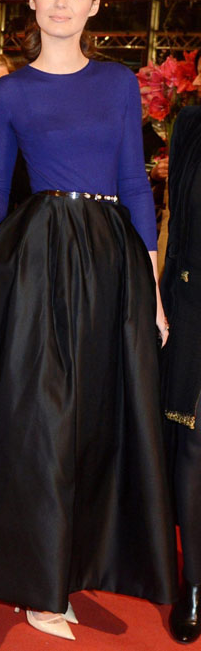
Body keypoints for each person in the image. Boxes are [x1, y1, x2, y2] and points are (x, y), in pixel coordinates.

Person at [0, 0, 177, 641]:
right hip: (34, 259)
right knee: (43, 421)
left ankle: (77, 562)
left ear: (96, 6)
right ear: (31, 2)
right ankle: (39, 581)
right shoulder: (9, 92)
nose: (61, 3)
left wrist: (149, 290)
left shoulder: (119, 83)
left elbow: (135, 184)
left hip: (110, 261)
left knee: (100, 417)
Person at [161, 96, 201, 644]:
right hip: (195, 297)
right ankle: (193, 582)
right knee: (193, 441)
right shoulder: (190, 123)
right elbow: (178, 215)